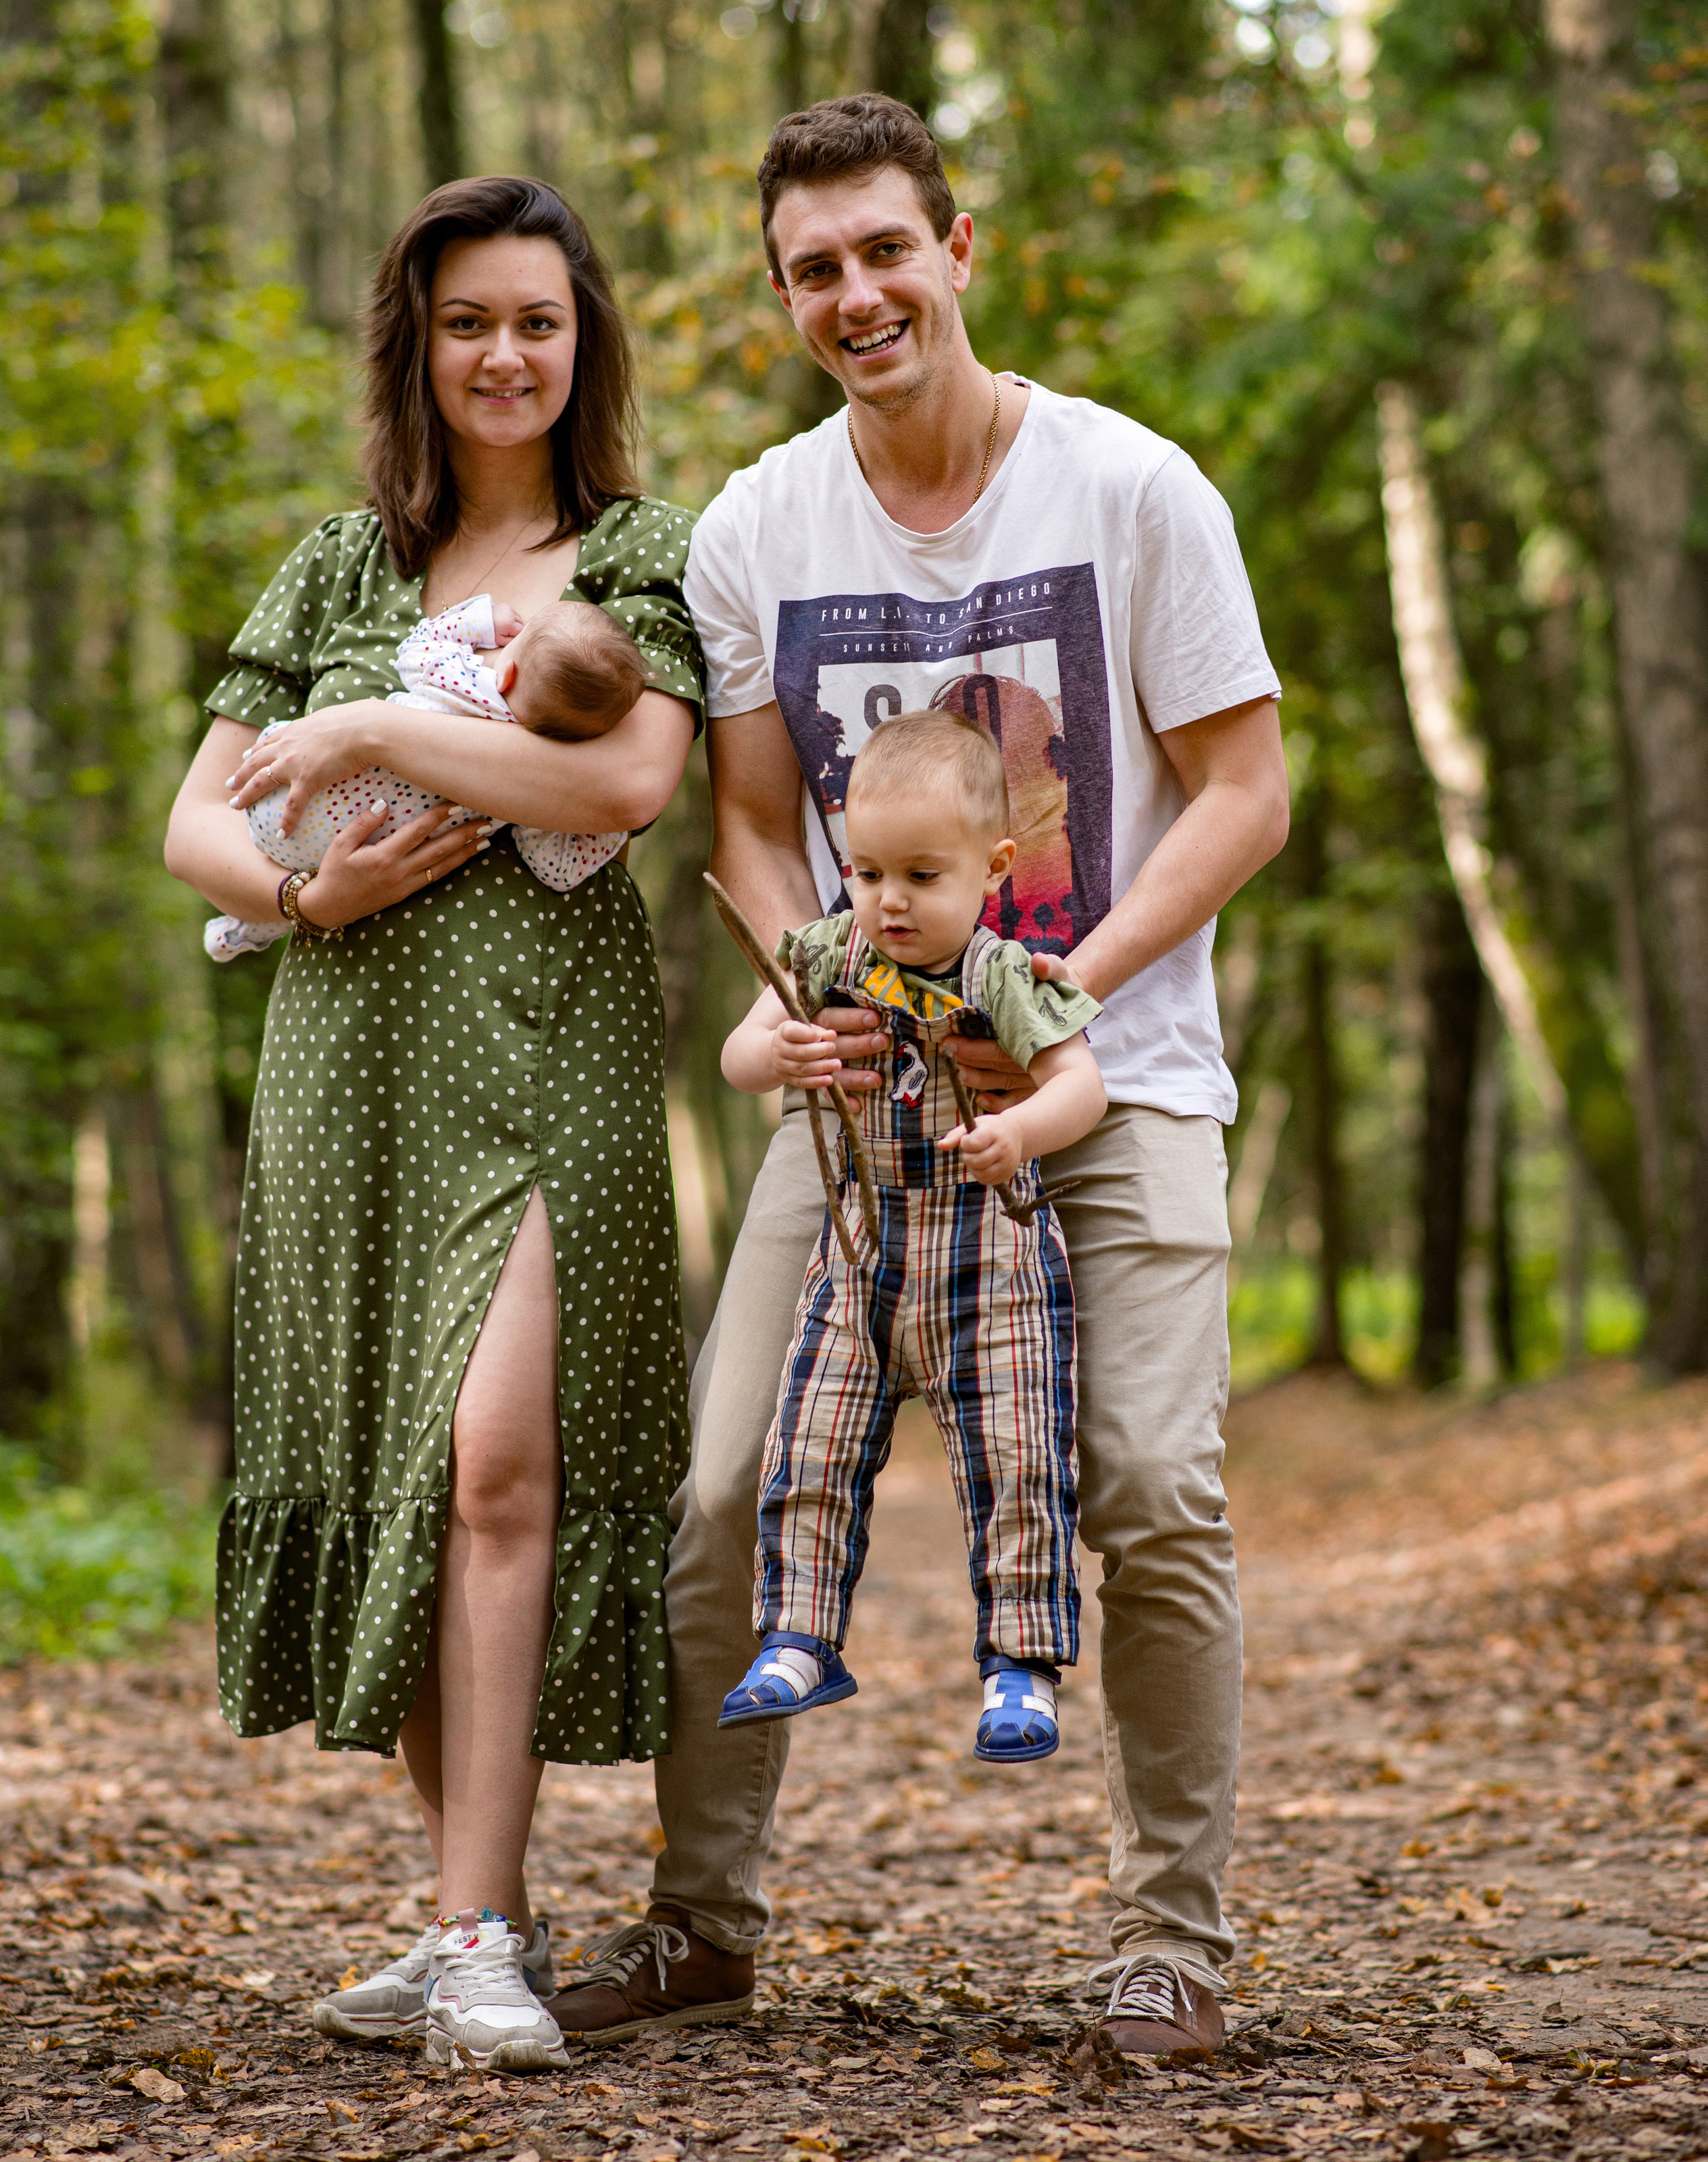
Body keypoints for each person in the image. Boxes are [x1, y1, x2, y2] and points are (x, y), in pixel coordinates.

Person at [547, 95, 1289, 2060]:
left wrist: (1063, 980)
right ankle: (698, 1922)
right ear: (784, 294)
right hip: (865, 1113)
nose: (855, 293)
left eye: (886, 250)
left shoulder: (1134, 492)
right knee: (721, 1491)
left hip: (1114, 1079)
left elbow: (1244, 790)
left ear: (957, 251)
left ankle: (1173, 1942)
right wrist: (820, 990)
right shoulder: (755, 528)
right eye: (814, 269)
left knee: (1148, 1474)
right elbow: (746, 824)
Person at [164, 175, 704, 2073]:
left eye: (539, 322)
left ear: (584, 345)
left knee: (498, 1467)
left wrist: (378, 739)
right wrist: (315, 892)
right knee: (408, 1471)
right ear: (422, 343)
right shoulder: (333, 568)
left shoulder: (639, 553)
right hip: (342, 1062)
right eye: (470, 321)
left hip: (547, 1061)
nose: (505, 354)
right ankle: (480, 1919)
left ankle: (476, 1930)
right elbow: (199, 825)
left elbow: (630, 776)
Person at [715, 709, 1105, 1762]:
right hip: (861, 1258)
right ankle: (798, 1636)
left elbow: (1083, 1089)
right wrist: (782, 1050)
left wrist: (1019, 1129)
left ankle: (1018, 1667)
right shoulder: (824, 950)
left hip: (992, 1264)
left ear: (994, 869)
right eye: (870, 869)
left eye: (923, 877)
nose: (890, 899)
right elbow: (739, 1056)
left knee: (1020, 1461)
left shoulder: (1002, 976)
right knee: (811, 1442)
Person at [203, 592, 646, 959]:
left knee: (292, 737)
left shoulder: (465, 682)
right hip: (326, 858)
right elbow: (555, 868)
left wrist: (480, 621)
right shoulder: (522, 790)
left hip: (274, 799)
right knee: (318, 861)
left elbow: (418, 647)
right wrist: (610, 831)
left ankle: (252, 918)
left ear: (507, 671)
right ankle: (250, 928)